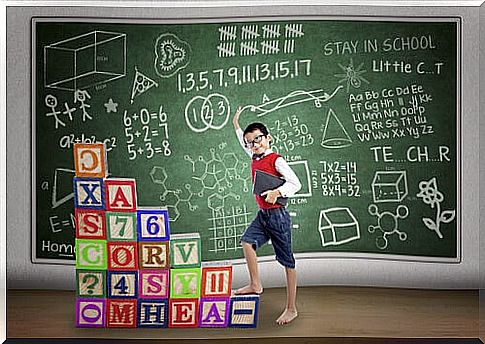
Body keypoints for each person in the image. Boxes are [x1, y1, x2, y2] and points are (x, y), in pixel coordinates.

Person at [232, 106, 301, 325]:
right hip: (263, 216)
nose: (254, 144)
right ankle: (255, 284)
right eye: (250, 142)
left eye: (258, 139)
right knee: (246, 242)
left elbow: (296, 183)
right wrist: (236, 123)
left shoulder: (276, 160)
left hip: (278, 217)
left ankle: (291, 308)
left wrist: (277, 192)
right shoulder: (254, 156)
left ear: (268, 138)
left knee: (287, 263)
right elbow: (242, 141)